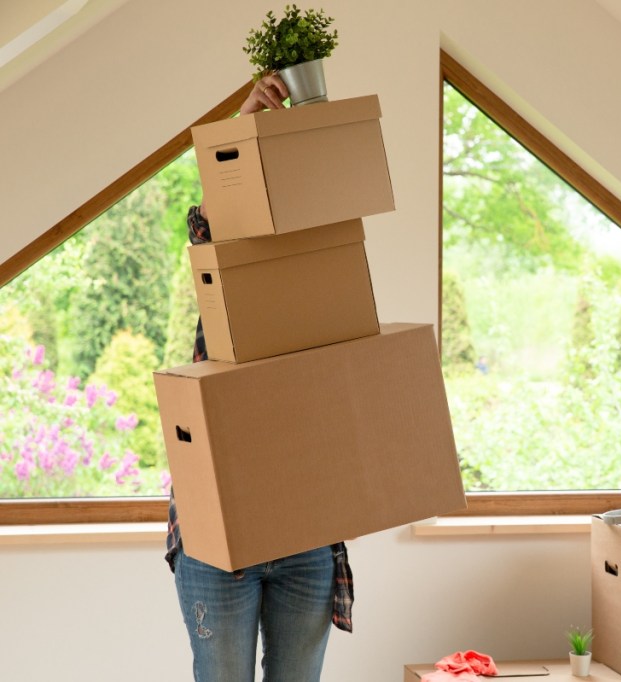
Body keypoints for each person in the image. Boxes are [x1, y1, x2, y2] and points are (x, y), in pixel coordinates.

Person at [164, 73, 354, 682]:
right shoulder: (222, 288)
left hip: (306, 535)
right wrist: (243, 128)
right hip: (219, 534)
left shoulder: (327, 294)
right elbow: (212, 219)